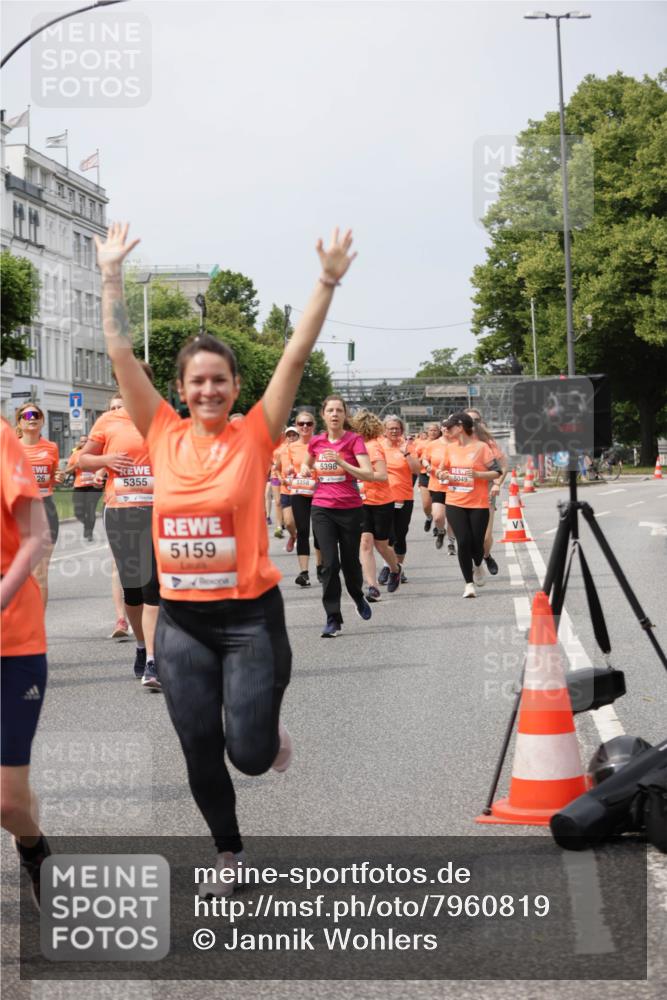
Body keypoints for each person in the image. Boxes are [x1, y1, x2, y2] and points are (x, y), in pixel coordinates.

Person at [95, 220, 356, 884]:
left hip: (248, 621)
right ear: (180, 390)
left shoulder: (256, 435)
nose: (208, 390)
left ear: (235, 386)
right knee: (198, 745)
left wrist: (325, 281)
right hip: (182, 623)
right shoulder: (159, 432)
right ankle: (227, 851)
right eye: (196, 381)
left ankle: (266, 735)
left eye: (219, 380)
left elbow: (295, 354)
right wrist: (111, 274)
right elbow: (121, 352)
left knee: (246, 752)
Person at [79, 384, 161, 690]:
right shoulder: (108, 421)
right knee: (134, 591)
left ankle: (153, 661)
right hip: (121, 512)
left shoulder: (161, 420)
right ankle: (141, 644)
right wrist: (106, 460)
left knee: (153, 586)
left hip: (157, 510)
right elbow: (83, 460)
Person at [1, 418, 51, 908]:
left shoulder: (1, 439)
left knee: (9, 803)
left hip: (12, 636)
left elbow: (36, 535)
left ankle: (35, 851)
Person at [299, 395, 373, 637]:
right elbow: (307, 466)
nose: (334, 414)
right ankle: (333, 617)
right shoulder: (316, 442)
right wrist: (301, 470)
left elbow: (367, 473)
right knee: (329, 564)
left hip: (350, 509)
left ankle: (357, 595)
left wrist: (342, 461)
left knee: (351, 562)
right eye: (330, 410)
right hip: (322, 508)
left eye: (339, 410)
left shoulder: (354, 441)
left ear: (345, 415)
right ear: (323, 415)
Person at [437, 411, 501, 597]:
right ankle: (468, 584)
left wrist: (478, 475)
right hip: (455, 500)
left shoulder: (481, 447)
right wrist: (442, 474)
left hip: (478, 502)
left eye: (451, 426)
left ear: (461, 427)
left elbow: (497, 472)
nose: (447, 429)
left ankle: (479, 564)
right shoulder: (449, 448)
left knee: (476, 543)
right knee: (463, 541)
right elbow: (441, 470)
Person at [15, 402, 63, 607]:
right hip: (19, 511)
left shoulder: (51, 447)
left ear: (42, 420)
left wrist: (57, 476)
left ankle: (38, 630)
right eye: (27, 416)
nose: (32, 418)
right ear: (19, 422)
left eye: (36, 415)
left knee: (40, 572)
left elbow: (53, 475)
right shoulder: (10, 447)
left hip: (46, 508)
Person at [350, 410, 401, 601]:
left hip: (381, 501)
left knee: (381, 545)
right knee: (364, 543)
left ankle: (395, 569)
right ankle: (372, 586)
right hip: (361, 502)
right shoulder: (354, 447)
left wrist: (360, 474)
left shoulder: (373, 447)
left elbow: (382, 475)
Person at [465, 408, 508, 576]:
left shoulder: (487, 442)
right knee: (466, 536)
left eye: (475, 419)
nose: (472, 423)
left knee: (484, 536)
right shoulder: (455, 441)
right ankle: (471, 567)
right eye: (468, 419)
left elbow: (503, 466)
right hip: (462, 492)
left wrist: (497, 484)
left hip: (486, 490)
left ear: (480, 421)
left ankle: (486, 555)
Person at [284, 410, 322, 587]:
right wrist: (290, 471)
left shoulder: (321, 443)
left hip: (320, 492)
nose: (305, 426)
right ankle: (304, 573)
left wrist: (315, 470)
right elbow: (286, 471)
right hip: (299, 492)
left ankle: (321, 567)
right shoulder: (291, 447)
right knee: (304, 530)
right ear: (296, 426)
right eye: (301, 424)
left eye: (308, 423)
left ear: (314, 425)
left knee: (319, 532)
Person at [381, 414, 421, 583]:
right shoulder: (379, 447)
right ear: (385, 431)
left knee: (400, 534)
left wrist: (406, 454)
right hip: (383, 497)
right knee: (386, 535)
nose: (394, 431)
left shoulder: (408, 447)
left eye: (397, 428)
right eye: (391, 428)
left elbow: (416, 470)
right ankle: (388, 567)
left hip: (404, 497)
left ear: (402, 430)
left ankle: (399, 569)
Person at [66, 434, 103, 542]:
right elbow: (67, 471)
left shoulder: (96, 454)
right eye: (82, 441)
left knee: (90, 510)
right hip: (79, 487)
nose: (85, 443)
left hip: (94, 487)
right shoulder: (75, 454)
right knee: (78, 512)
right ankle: (88, 524)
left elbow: (103, 468)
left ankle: (89, 532)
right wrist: (76, 465)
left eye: (87, 441)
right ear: (79, 443)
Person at [275, 427, 299, 553]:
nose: (291, 437)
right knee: (289, 522)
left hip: (301, 491)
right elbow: (277, 468)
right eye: (289, 435)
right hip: (286, 490)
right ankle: (293, 536)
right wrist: (280, 478)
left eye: (294, 435)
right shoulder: (282, 452)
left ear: (297, 436)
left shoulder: (303, 450)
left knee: (300, 520)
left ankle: (302, 538)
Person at [416, 423, 441, 533]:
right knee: (426, 504)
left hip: (438, 476)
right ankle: (429, 517)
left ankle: (437, 524)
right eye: (430, 430)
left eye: (435, 430)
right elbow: (416, 459)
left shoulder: (443, 443)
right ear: (427, 431)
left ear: (439, 431)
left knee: (437, 503)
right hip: (424, 475)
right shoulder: (421, 444)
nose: (433, 432)